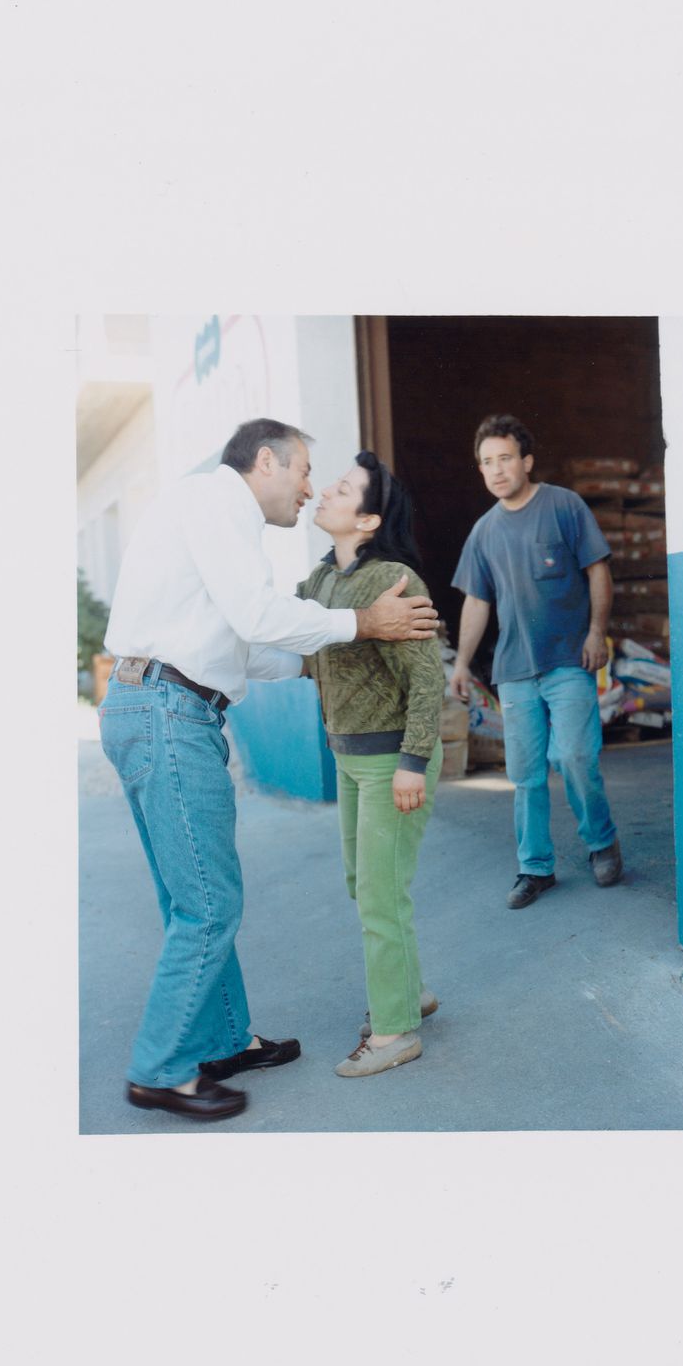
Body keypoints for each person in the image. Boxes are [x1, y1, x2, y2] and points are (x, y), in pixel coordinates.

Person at [99, 418, 439, 1122]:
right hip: (166, 712)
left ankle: (225, 1040)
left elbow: (253, 647)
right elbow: (260, 617)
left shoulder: (217, 520)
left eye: (331, 482)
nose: (311, 488)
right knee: (208, 905)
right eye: (307, 471)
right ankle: (160, 1069)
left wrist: (340, 646)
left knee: (191, 899)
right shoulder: (217, 505)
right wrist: (360, 627)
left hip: (160, 706)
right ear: (266, 463)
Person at [300, 453, 444, 1078]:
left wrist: (414, 761)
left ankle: (394, 1032)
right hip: (350, 757)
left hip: (393, 762)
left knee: (379, 897)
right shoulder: (318, 583)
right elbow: (295, 637)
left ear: (368, 519)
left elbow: (428, 678)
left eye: (342, 488)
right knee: (367, 886)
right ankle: (407, 990)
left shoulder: (394, 579)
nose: (325, 492)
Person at [450, 415, 622, 909]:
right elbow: (477, 602)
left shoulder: (563, 506)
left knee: (573, 757)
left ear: (526, 461)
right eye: (486, 462)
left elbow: (597, 571)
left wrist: (596, 632)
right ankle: (535, 867)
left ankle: (601, 841)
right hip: (514, 671)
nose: (496, 470)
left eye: (505, 459)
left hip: (569, 658)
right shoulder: (483, 532)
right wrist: (462, 663)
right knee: (524, 776)